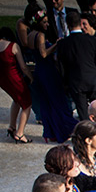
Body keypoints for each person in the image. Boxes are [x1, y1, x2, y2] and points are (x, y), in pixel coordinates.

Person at [24, 8, 78, 143]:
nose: (47, 24)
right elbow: (43, 53)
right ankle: (67, 130)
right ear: (38, 23)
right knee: (59, 102)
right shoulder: (40, 35)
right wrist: (56, 44)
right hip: (48, 71)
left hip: (39, 71)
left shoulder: (30, 34)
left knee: (47, 103)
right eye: (45, 22)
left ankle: (50, 132)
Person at [55, 11, 96, 120]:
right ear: (80, 23)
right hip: (93, 79)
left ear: (67, 25)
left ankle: (87, 134)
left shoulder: (63, 44)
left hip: (76, 82)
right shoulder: (91, 40)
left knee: (83, 113)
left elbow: (61, 67)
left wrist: (66, 83)